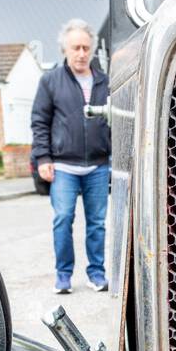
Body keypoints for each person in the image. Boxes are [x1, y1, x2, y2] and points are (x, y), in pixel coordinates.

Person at [30, 20, 111, 294]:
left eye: (86, 47)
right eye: (75, 47)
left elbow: (114, 121)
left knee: (97, 224)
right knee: (63, 219)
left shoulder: (104, 82)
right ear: (64, 49)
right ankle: (63, 275)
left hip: (98, 166)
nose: (81, 53)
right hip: (63, 166)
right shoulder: (50, 81)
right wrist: (43, 158)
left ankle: (96, 273)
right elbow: (40, 121)